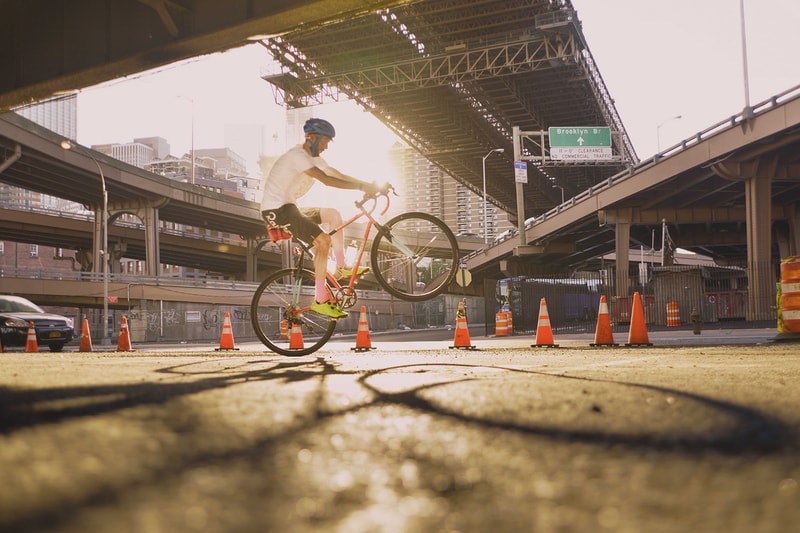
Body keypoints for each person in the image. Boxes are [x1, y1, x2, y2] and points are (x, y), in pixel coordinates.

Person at [260, 118, 379, 319]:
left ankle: (342, 267)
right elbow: (326, 180)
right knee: (323, 240)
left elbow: (335, 173)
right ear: (313, 138)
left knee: (333, 214)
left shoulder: (313, 158)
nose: (326, 147)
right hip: (277, 210)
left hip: (291, 207)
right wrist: (362, 188)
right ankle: (320, 300)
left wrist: (369, 184)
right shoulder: (298, 156)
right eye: (325, 141)